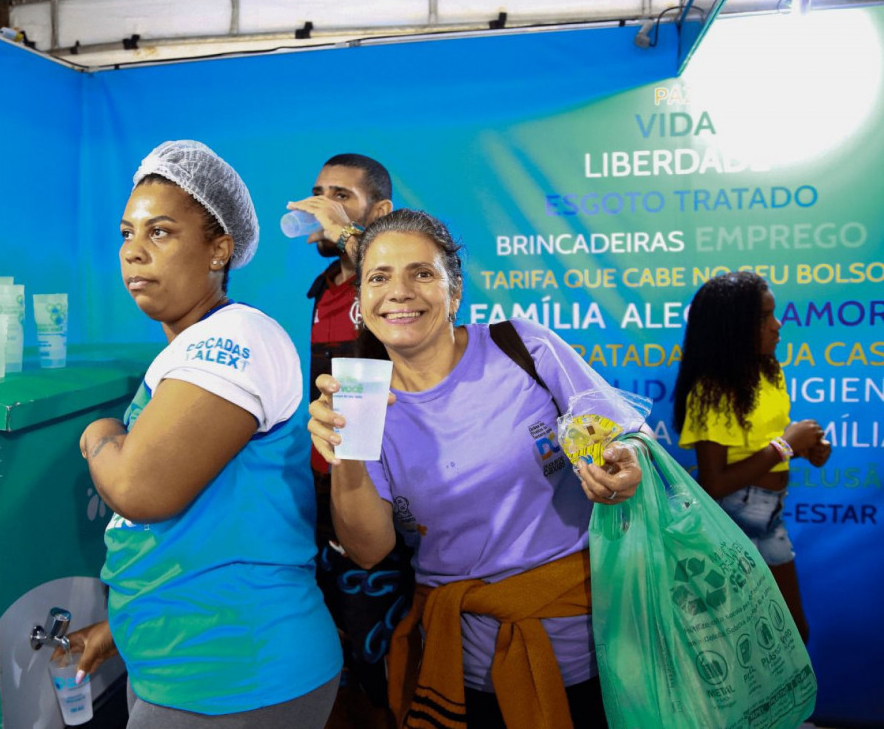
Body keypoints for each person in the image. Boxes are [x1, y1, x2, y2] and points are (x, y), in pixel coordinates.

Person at [307, 209, 645, 729]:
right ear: (361, 305)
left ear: (454, 292)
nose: (399, 291)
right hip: (465, 671)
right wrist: (344, 448)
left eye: (421, 273)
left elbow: (622, 436)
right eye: (378, 276)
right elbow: (368, 549)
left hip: (605, 650)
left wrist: (624, 464)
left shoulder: (521, 346)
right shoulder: (360, 399)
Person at [70, 140, 342, 728]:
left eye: (160, 232)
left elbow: (141, 489)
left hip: (233, 673)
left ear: (219, 249)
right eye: (126, 234)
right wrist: (121, 628)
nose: (134, 253)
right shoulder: (190, 349)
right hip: (189, 665)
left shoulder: (238, 336)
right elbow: (210, 531)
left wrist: (99, 435)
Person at [288, 154, 405, 728]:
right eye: (318, 194)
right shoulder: (323, 289)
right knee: (334, 656)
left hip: (380, 498)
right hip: (323, 495)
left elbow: (391, 280)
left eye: (342, 196)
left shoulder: (390, 286)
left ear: (379, 213)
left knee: (383, 660)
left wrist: (355, 239)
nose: (323, 206)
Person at [673, 270, 829, 643]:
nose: (778, 326)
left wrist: (809, 449)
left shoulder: (769, 372)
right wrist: (787, 446)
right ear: (734, 326)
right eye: (765, 317)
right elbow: (714, 483)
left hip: (770, 513)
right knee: (743, 636)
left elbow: (768, 445)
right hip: (733, 517)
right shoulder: (711, 389)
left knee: (792, 633)